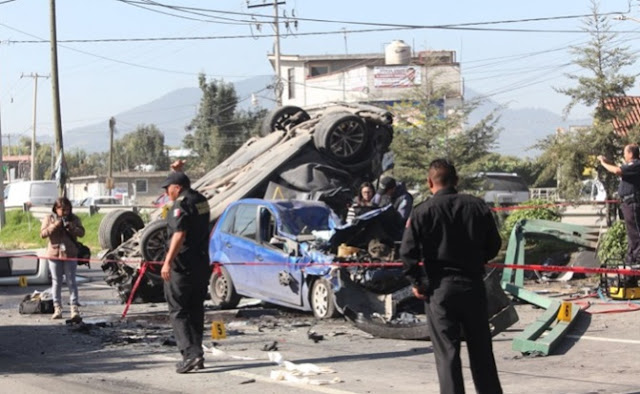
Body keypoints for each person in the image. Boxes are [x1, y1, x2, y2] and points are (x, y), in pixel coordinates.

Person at [399, 159, 502, 394]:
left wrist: (418, 282)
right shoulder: (477, 206)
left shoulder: (422, 211)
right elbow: (494, 244)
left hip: (439, 290)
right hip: (473, 286)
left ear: (429, 182)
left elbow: (407, 253)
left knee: (448, 354)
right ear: (456, 181)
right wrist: (477, 261)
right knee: (482, 352)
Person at [160, 168, 211, 374]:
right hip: (200, 263)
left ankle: (191, 355)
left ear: (178, 188)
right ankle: (197, 351)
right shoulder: (201, 200)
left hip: (182, 265)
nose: (167, 193)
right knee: (195, 309)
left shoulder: (180, 205)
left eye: (168, 188)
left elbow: (179, 234)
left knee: (179, 310)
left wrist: (167, 262)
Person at [40, 197, 86, 320]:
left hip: (70, 253)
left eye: (67, 209)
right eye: (62, 209)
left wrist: (72, 228)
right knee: (56, 281)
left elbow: (82, 233)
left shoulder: (74, 218)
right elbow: (43, 234)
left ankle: (74, 308)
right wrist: (55, 225)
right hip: (54, 254)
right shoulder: (49, 218)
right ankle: (57, 307)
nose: (64, 212)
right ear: (56, 208)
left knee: (71, 281)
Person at [598, 144, 640, 264]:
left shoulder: (635, 164)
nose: (624, 155)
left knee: (636, 234)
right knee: (632, 235)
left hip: (633, 203)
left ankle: (637, 261)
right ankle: (631, 261)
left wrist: (603, 163)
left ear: (631, 154)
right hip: (627, 203)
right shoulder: (631, 167)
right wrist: (608, 162)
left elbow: (617, 170)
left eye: (625, 153)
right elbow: (618, 168)